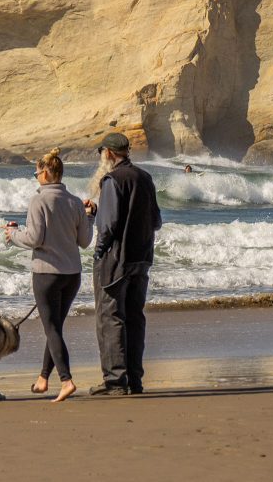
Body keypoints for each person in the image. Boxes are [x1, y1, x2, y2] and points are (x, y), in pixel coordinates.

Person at [5, 149, 94, 402]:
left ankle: (66, 380)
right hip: (72, 274)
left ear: (45, 173)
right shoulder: (75, 201)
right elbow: (85, 241)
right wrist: (92, 217)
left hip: (46, 273)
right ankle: (44, 378)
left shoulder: (39, 201)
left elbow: (35, 239)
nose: (36, 177)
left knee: (52, 328)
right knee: (54, 327)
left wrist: (12, 235)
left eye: (36, 173)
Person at [84, 133, 162, 396]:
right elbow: (156, 221)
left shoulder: (112, 180)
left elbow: (108, 227)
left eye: (101, 153)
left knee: (110, 317)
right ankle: (135, 380)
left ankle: (116, 381)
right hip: (142, 257)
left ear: (107, 153)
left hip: (116, 259)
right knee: (135, 317)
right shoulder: (145, 177)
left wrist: (99, 252)